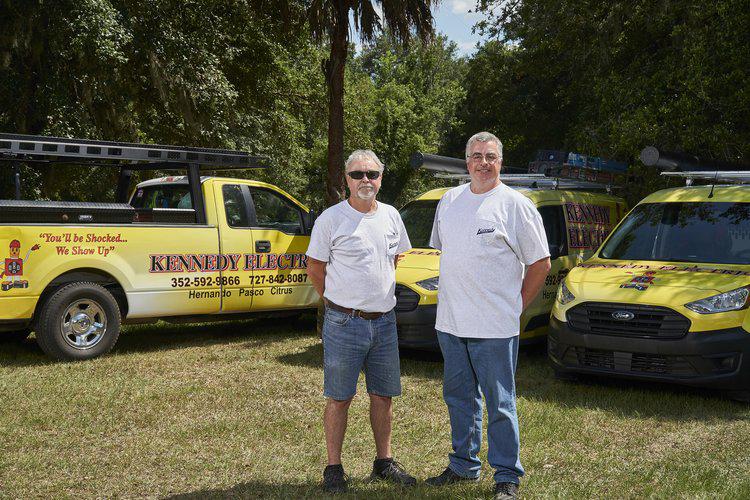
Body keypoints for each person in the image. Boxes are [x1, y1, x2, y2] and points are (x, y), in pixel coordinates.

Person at [425, 132, 551, 500]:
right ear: (467, 162)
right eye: (477, 156)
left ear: (501, 162)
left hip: (495, 327)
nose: (484, 162)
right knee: (459, 398)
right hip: (451, 324)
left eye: (491, 156)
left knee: (500, 404)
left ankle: (507, 475)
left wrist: (515, 307)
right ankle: (463, 465)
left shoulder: (516, 205)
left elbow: (540, 264)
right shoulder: (449, 201)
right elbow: (448, 253)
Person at [306, 149, 415, 494]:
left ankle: (384, 462)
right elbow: (315, 267)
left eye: (372, 174)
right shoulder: (331, 219)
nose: (365, 180)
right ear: (346, 180)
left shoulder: (392, 215)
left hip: (384, 323)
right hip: (344, 323)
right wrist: (335, 302)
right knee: (340, 398)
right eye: (357, 174)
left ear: (381, 178)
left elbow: (395, 258)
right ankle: (333, 468)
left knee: (383, 396)